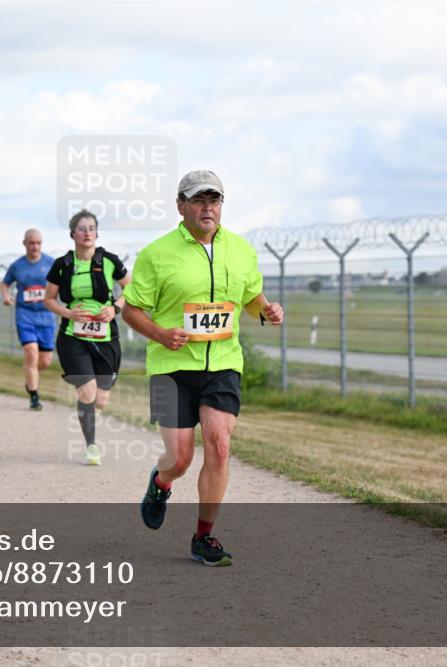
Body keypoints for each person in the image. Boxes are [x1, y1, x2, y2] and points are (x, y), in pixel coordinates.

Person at [121, 170, 284, 567]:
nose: (207, 206)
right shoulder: (157, 253)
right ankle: (161, 485)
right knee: (179, 459)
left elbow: (249, 295)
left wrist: (265, 309)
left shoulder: (241, 250)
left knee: (219, 444)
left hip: (223, 363)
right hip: (170, 366)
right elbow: (130, 309)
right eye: (198, 199)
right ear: (181, 205)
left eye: (214, 199)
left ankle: (203, 536)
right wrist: (160, 334)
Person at [44, 209, 130, 466]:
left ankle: (90, 416)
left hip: (106, 337)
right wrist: (68, 312)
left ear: (97, 233)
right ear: (72, 234)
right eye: (82, 229)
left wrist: (115, 307)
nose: (87, 233)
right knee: (87, 392)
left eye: (91, 228)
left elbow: (133, 288)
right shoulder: (63, 265)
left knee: (101, 398)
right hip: (73, 337)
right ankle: (91, 446)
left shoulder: (110, 261)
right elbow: (49, 299)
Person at [1, 229, 57, 411]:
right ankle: (34, 396)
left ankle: (30, 378)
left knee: (45, 361)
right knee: (31, 353)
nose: (35, 246)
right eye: (31, 243)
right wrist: (5, 295)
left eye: (38, 243)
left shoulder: (50, 263)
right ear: (24, 243)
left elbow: (63, 283)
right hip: (25, 315)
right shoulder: (18, 266)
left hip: (47, 316)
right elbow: (5, 283)